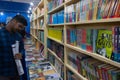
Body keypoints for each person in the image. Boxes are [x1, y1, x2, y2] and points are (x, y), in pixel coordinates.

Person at [0, 15, 27, 80]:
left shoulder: (18, 36)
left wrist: (21, 53)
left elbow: (22, 49)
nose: (20, 29)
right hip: (3, 73)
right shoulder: (1, 34)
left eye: (22, 28)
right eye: (20, 26)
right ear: (13, 21)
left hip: (16, 72)